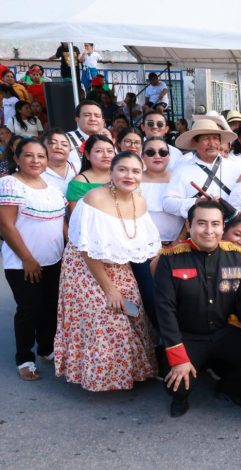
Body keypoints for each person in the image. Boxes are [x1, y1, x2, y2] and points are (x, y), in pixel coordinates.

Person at [55, 152, 160, 391]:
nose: (129, 175)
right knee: (108, 315)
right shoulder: (94, 198)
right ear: (111, 172)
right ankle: (102, 376)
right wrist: (109, 290)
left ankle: (132, 372)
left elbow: (147, 245)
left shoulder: (139, 201)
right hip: (85, 267)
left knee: (133, 313)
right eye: (123, 169)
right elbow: (88, 251)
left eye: (135, 171)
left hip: (118, 264)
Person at [155, 200, 241, 417]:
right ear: (189, 225)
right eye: (202, 223)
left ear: (222, 227)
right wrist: (178, 358)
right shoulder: (170, 259)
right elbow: (164, 311)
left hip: (223, 332)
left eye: (215, 224)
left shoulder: (235, 257)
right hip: (186, 336)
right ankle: (182, 395)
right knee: (177, 386)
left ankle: (226, 388)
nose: (209, 231)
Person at [0, 139, 67, 381]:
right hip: (23, 264)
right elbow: (6, 226)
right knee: (29, 309)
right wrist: (27, 259)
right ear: (17, 158)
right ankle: (24, 358)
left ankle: (46, 349)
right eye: (29, 155)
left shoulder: (50, 186)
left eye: (41, 156)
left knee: (50, 307)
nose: (36, 160)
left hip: (53, 260)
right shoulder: (9, 184)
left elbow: (60, 224)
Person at [163, 119, 241, 220]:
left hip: (230, 229)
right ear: (195, 143)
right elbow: (168, 203)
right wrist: (196, 202)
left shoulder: (234, 168)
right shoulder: (183, 169)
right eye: (206, 139)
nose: (212, 143)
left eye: (215, 138)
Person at [140, 137, 181, 244]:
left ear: (169, 156)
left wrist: (179, 241)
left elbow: (188, 215)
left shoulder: (180, 179)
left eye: (163, 152)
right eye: (150, 152)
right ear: (142, 156)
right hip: (140, 246)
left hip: (176, 246)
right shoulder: (133, 180)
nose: (157, 156)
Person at [65, 134, 115, 211]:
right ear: (87, 155)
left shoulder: (121, 176)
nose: (106, 155)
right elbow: (77, 218)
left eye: (110, 151)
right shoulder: (79, 183)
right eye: (99, 151)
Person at [66, 100, 104, 171]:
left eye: (97, 116)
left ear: (102, 120)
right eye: (87, 115)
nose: (93, 119)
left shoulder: (107, 140)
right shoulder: (65, 140)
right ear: (77, 119)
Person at [40, 129, 76, 195]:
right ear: (41, 147)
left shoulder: (77, 168)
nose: (59, 147)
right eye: (53, 143)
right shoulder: (36, 172)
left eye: (64, 145)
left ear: (70, 149)